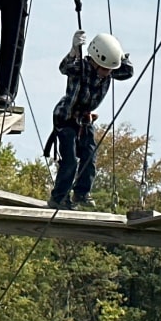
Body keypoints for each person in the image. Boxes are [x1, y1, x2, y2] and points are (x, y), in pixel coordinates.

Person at [45, 31, 134, 210]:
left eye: (110, 69)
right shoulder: (82, 67)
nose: (107, 73)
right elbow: (65, 68)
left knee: (90, 156)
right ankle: (59, 197)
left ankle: (81, 193)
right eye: (103, 68)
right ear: (94, 60)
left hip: (84, 120)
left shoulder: (108, 71)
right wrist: (74, 52)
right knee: (69, 160)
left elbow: (127, 72)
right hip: (66, 118)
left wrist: (119, 55)